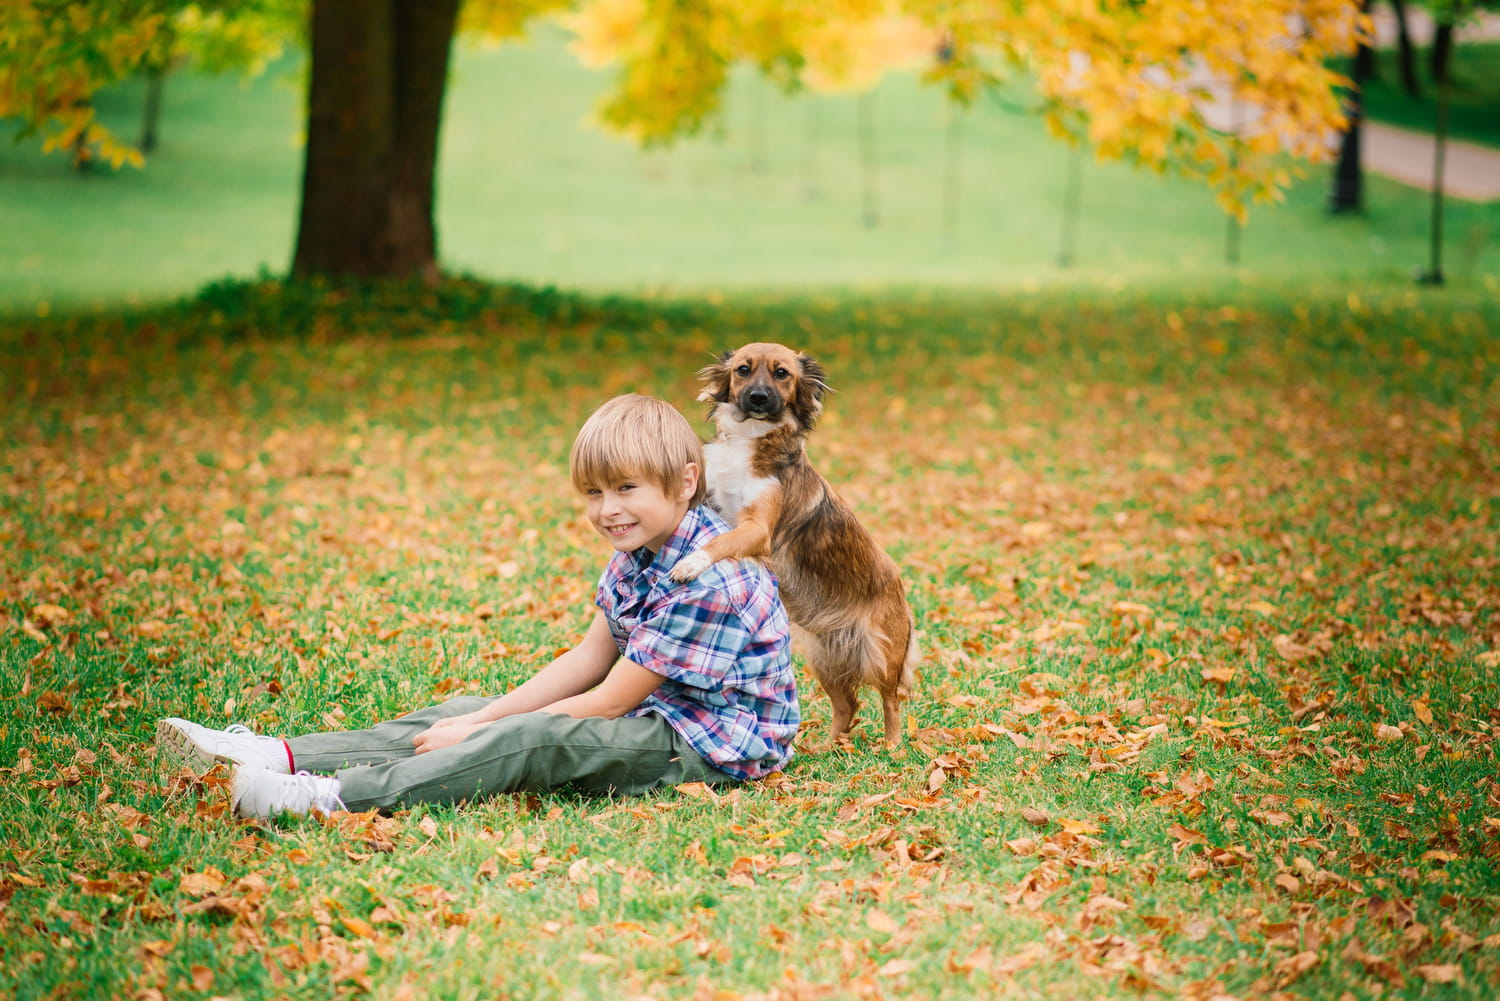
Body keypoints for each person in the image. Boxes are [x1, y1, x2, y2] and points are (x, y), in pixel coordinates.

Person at [157, 394, 799, 819]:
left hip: (709, 742)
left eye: (626, 488)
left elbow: (608, 701)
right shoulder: (642, 549)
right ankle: (279, 755)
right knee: (466, 711)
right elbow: (588, 659)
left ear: (685, 482)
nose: (607, 510)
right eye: (594, 492)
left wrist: (486, 732)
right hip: (658, 710)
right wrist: (479, 718)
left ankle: (324, 797)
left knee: (531, 737)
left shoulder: (712, 577)